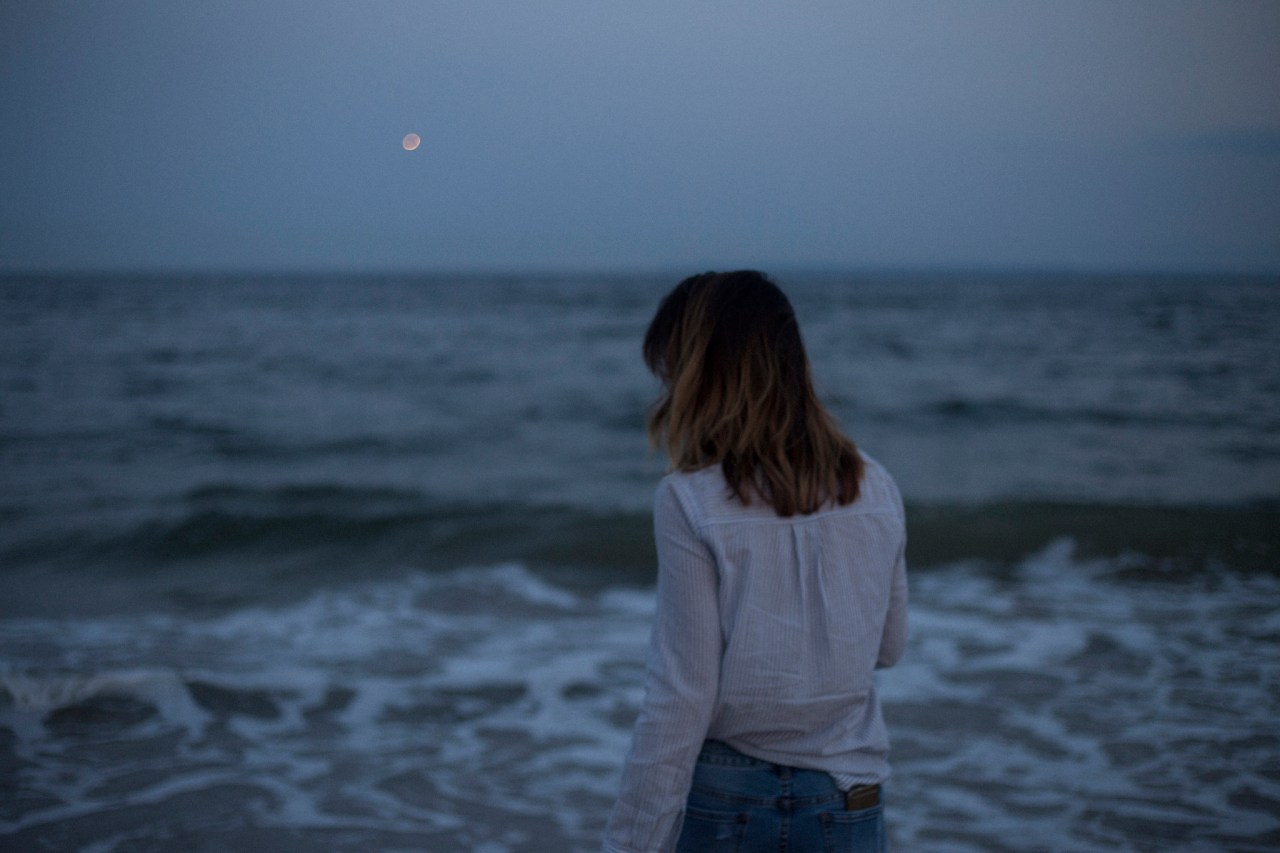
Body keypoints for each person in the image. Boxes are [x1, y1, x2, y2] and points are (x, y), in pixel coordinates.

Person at [603, 271, 908, 853]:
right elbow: (889, 648)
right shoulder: (876, 485)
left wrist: (630, 843)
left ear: (699, 376)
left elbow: (682, 700)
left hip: (729, 798)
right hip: (851, 795)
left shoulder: (690, 499)